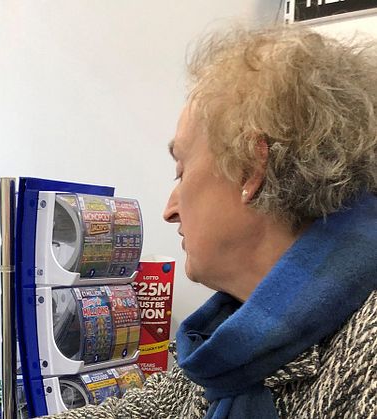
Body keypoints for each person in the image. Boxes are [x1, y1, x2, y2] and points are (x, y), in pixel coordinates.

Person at [41, 25, 377, 419]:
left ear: (251, 168)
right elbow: (149, 411)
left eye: (181, 171)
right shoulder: (236, 336)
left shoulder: (365, 357)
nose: (169, 210)